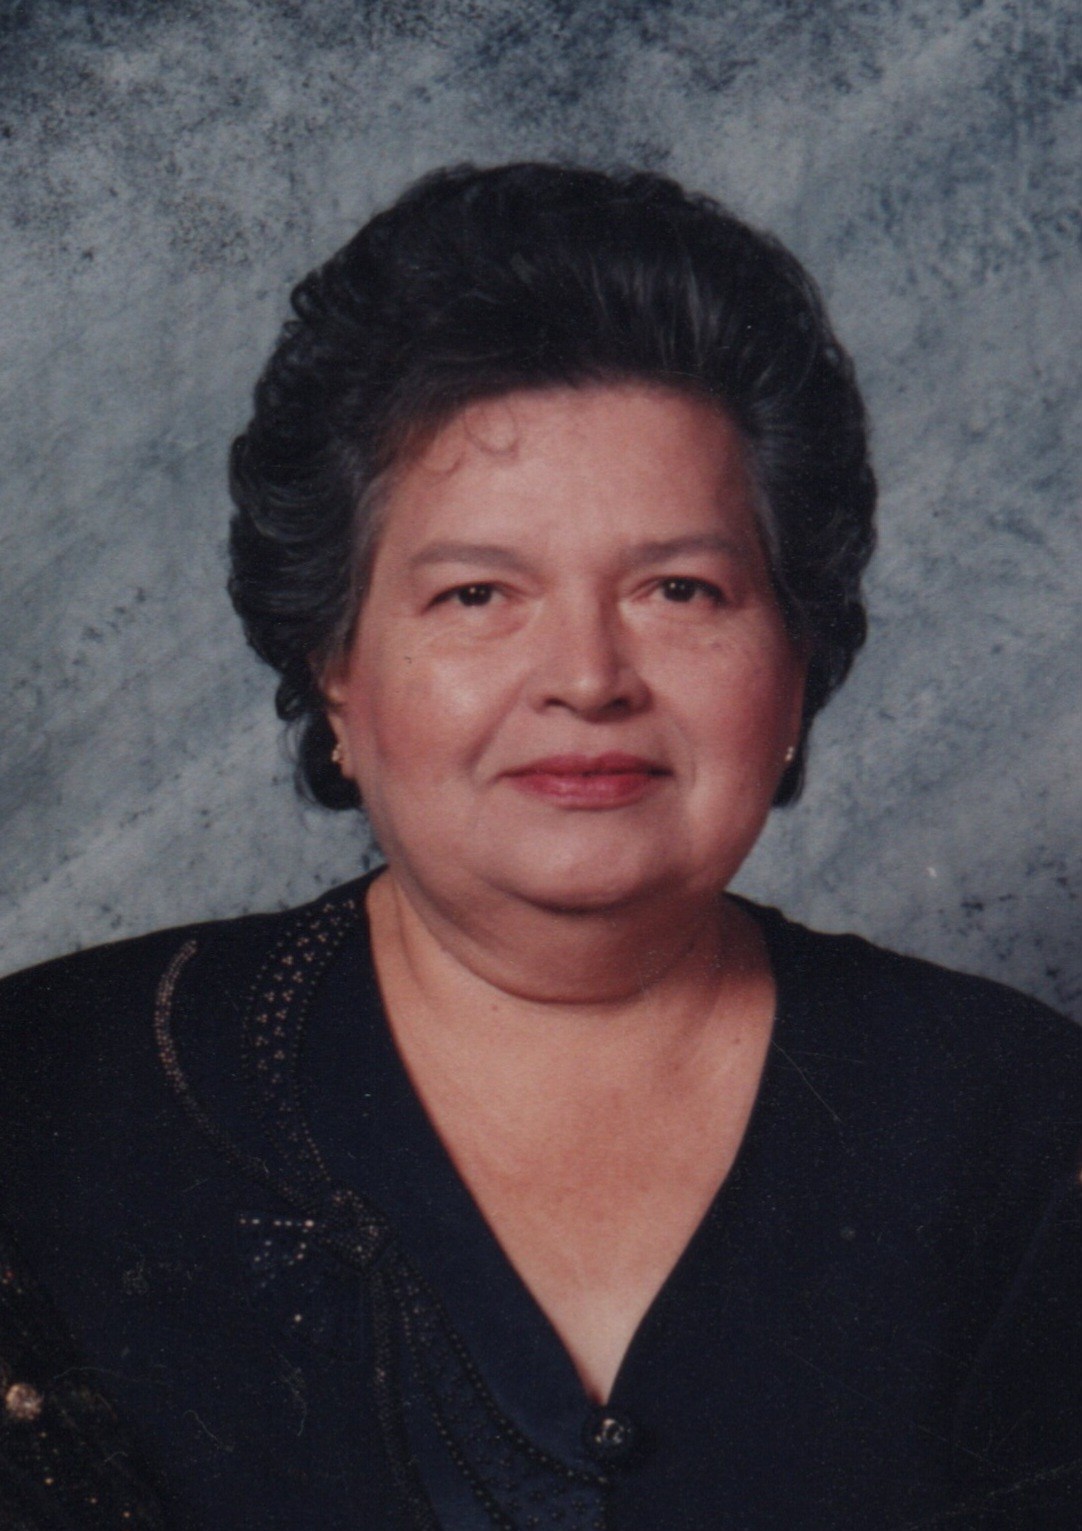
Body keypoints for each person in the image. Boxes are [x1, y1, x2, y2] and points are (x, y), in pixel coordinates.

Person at [1, 162, 1079, 1530]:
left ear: (796, 657)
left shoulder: (1021, 1126)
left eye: (679, 588)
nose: (586, 676)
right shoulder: (44, 1097)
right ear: (335, 667)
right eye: (476, 594)